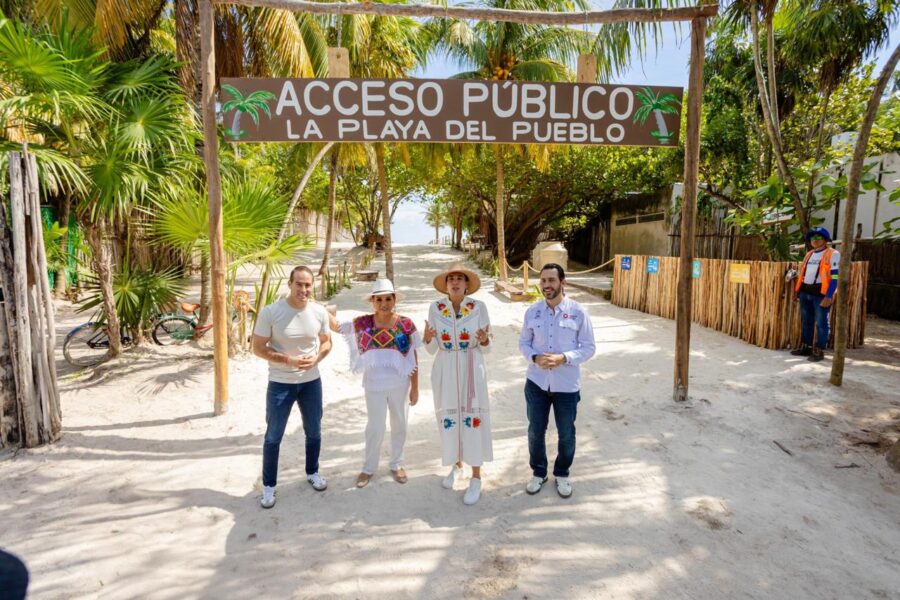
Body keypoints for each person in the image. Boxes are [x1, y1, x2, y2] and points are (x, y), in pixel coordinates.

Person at [252, 265, 332, 509]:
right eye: (299, 284)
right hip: (280, 383)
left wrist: (317, 359)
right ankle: (269, 487)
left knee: (314, 431)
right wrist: (289, 360)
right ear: (290, 284)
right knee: (273, 436)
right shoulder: (271, 312)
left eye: (308, 285)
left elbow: (327, 342)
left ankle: (312, 472)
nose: (304, 289)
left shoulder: (319, 312)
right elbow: (257, 348)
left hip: (311, 382)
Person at [331, 279, 421, 488]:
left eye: (388, 298)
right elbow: (336, 326)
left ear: (394, 300)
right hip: (373, 384)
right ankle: (368, 467)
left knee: (400, 424)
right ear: (372, 301)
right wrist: (315, 306)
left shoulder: (406, 324)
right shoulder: (363, 323)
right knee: (375, 427)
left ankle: (397, 463)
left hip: (400, 383)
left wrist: (415, 387)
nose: (384, 303)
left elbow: (412, 356)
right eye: (379, 299)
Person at [518, 263, 595, 498]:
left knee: (566, 433)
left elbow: (589, 348)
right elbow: (523, 343)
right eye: (543, 281)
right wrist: (534, 357)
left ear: (563, 282)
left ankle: (562, 473)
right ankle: (539, 473)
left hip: (566, 386)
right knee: (535, 431)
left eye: (551, 280)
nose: (546, 285)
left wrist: (564, 358)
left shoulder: (579, 312)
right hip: (537, 383)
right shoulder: (532, 312)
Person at [423, 263, 492, 505]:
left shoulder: (478, 308)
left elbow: (488, 346)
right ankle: (456, 465)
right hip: (445, 367)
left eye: (459, 279)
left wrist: (484, 340)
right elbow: (431, 349)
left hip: (471, 366)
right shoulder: (435, 308)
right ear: (445, 284)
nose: (454, 282)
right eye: (450, 278)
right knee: (449, 418)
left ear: (466, 284)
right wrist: (428, 338)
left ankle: (476, 477)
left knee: (472, 418)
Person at [791, 227, 840, 362]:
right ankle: (807, 346)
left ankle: (819, 349)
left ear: (825, 240)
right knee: (807, 321)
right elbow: (804, 274)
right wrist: (797, 291)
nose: (815, 240)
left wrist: (829, 295)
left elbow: (835, 277)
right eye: (813, 238)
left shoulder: (833, 253)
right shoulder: (809, 254)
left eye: (818, 237)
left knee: (822, 322)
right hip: (805, 292)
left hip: (820, 293)